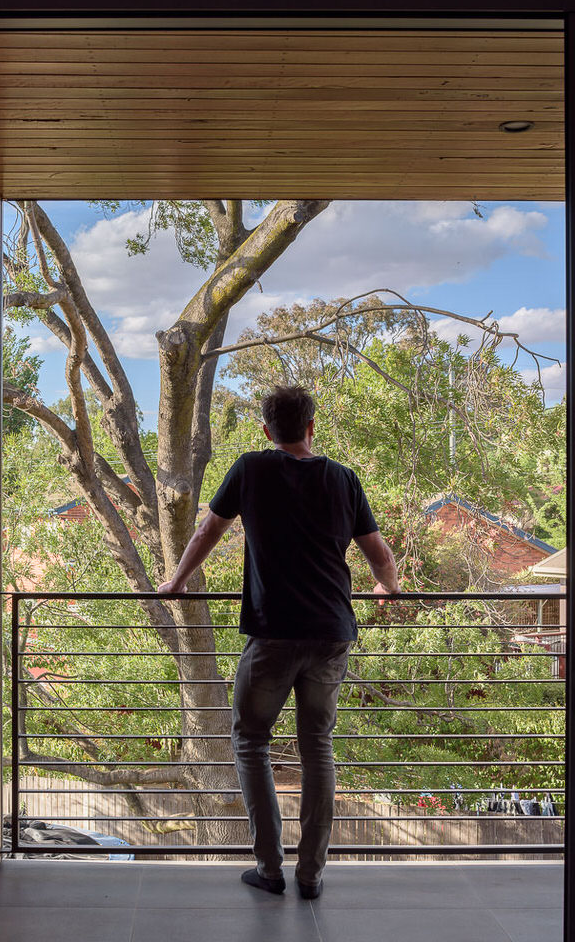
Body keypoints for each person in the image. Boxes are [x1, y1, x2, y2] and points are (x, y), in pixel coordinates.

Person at [158, 385, 400, 899]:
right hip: (332, 633)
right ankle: (310, 875)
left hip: (273, 633)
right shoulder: (343, 478)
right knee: (318, 747)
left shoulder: (251, 468)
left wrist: (177, 581)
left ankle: (270, 868)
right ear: (312, 426)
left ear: (268, 431)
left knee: (250, 741)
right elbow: (378, 552)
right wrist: (388, 586)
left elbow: (206, 533)